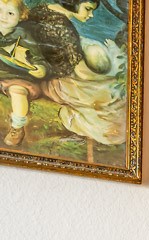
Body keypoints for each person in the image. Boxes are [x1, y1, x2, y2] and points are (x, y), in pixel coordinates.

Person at [25, 0, 126, 146]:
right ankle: (75, 121)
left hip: (46, 70)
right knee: (111, 99)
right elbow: (83, 73)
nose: (91, 15)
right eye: (88, 9)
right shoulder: (63, 29)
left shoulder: (40, 11)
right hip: (57, 81)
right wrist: (109, 78)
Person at [0, 0, 48, 146]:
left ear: (21, 16)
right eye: (0, 10)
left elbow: (38, 57)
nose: (3, 16)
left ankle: (17, 127)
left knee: (18, 92)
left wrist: (41, 68)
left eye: (10, 13)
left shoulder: (24, 34)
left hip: (17, 76)